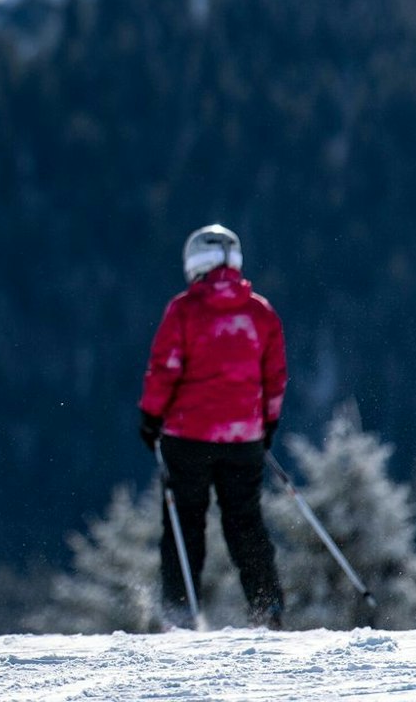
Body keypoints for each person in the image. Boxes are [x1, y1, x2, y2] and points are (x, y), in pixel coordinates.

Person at [138, 224, 289, 629]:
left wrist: (151, 418)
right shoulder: (260, 312)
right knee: (245, 522)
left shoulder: (184, 309)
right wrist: (267, 424)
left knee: (185, 521)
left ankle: (180, 612)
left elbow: (163, 370)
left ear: (195, 263)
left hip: (187, 437)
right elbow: (274, 377)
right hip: (244, 438)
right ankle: (267, 608)